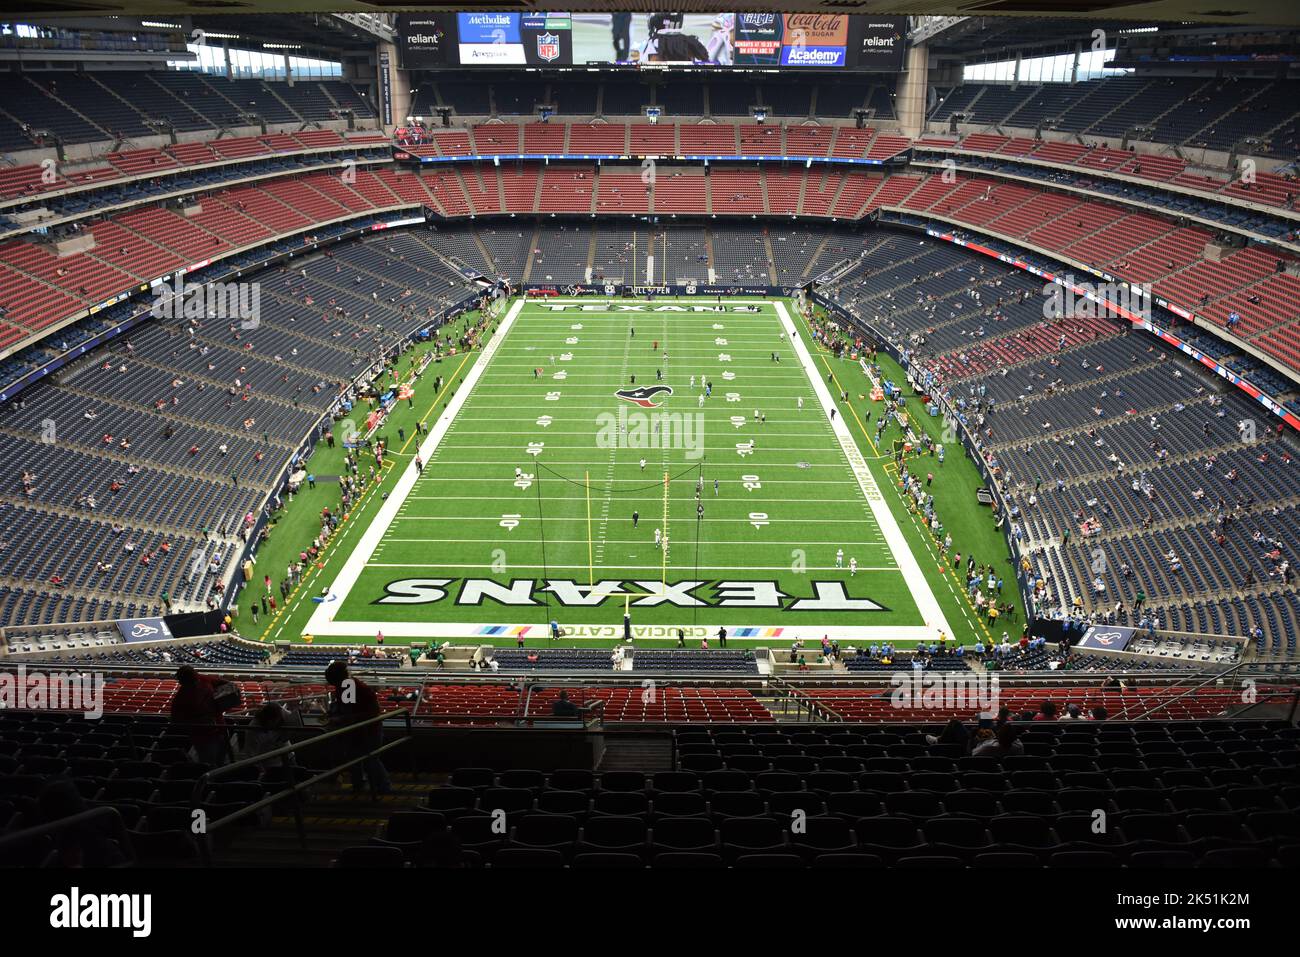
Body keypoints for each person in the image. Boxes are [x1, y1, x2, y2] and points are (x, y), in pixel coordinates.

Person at [324, 661, 391, 795]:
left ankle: (381, 787)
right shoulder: (348, 684)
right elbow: (348, 709)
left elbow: (349, 713)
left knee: (369, 759)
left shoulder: (347, 685)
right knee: (361, 758)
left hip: (366, 730)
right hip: (363, 729)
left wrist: (337, 719)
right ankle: (364, 785)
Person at [170, 665, 230, 766]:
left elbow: (227, 684)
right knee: (209, 762)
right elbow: (176, 720)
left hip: (219, 727)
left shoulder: (202, 679)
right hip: (203, 735)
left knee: (222, 758)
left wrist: (221, 702)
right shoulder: (181, 698)